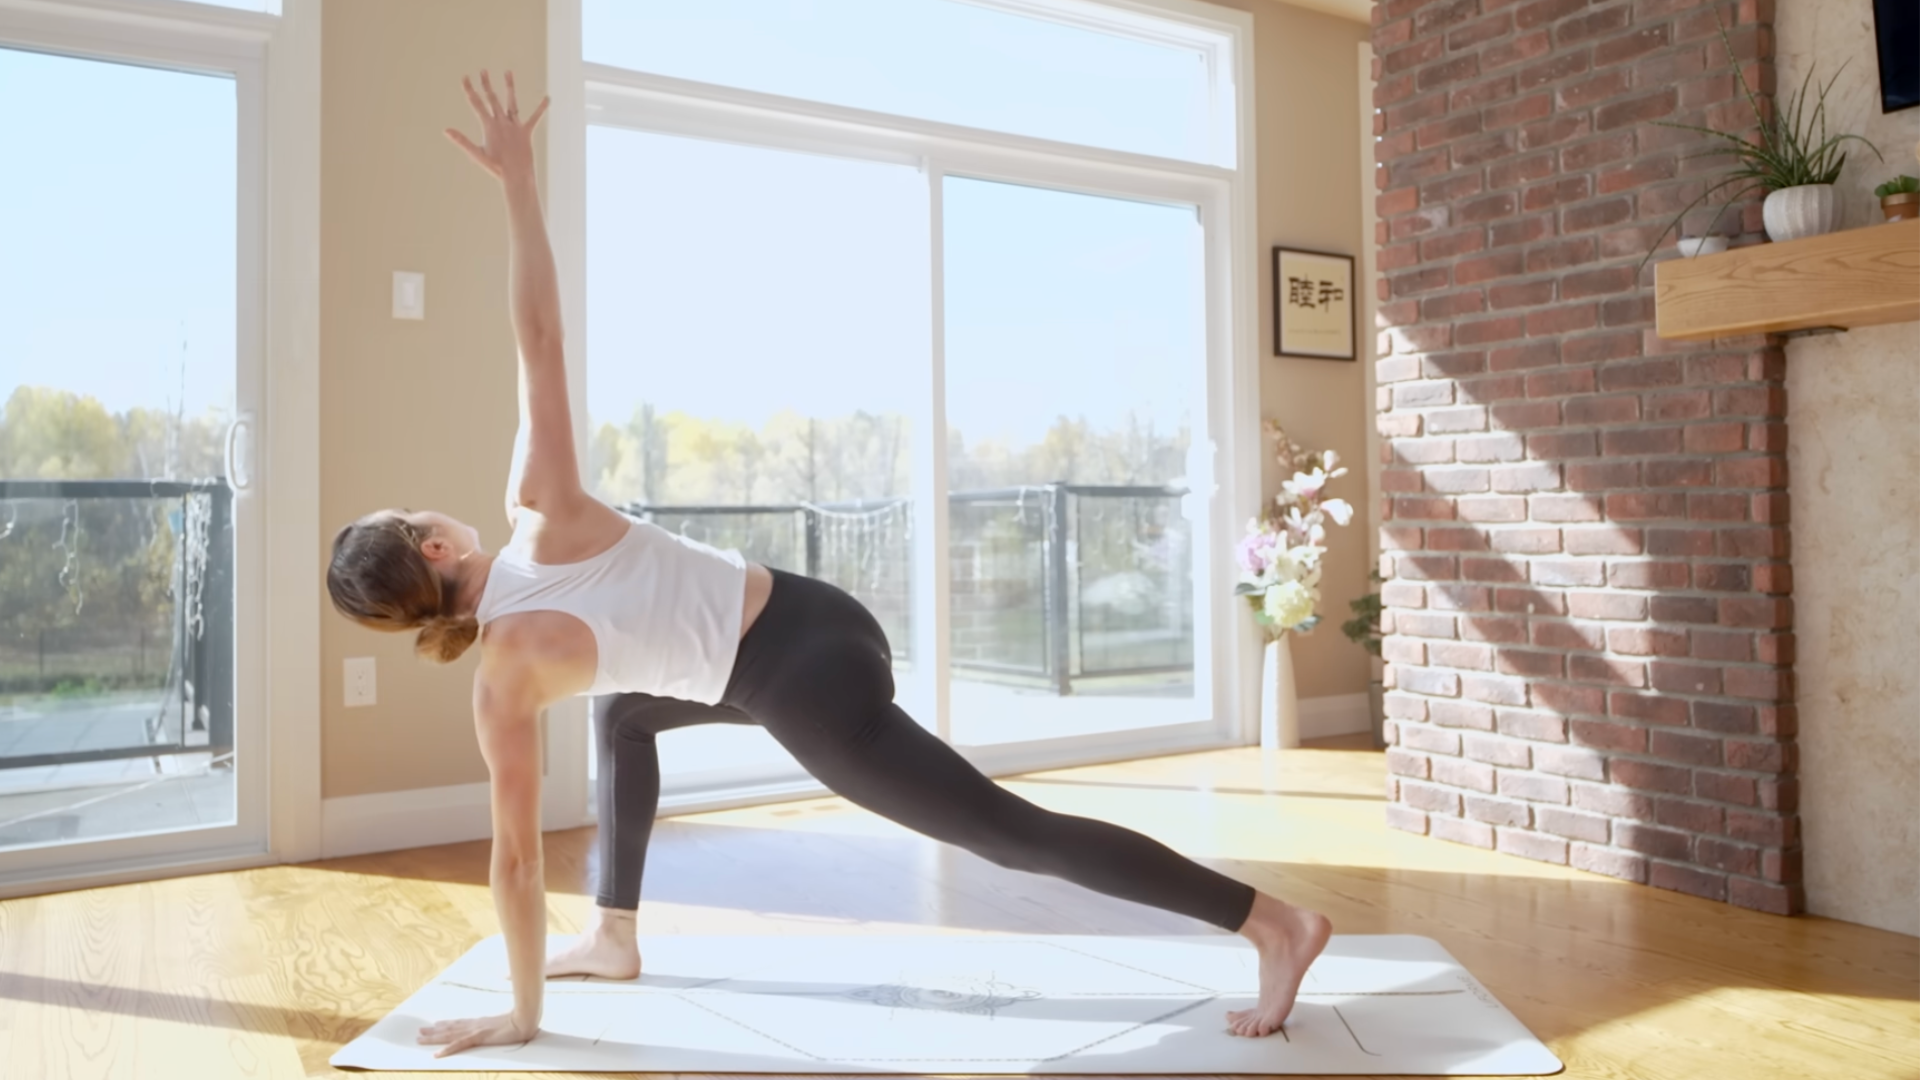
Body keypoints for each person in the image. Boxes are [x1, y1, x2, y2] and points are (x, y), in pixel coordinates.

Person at [325, 70, 1331, 1059]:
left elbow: (510, 860)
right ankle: (616, 935)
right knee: (623, 708)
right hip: (809, 619)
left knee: (1002, 833)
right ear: (437, 546)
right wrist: (517, 183)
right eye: (416, 512)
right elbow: (537, 335)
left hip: (800, 682)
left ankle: (1269, 923)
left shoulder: (500, 684)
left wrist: (522, 1015)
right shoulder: (540, 508)